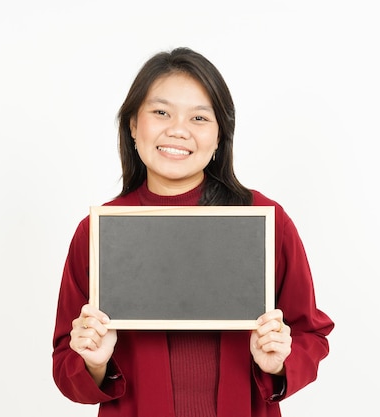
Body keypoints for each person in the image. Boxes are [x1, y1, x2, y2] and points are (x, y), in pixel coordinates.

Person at [52, 47, 334, 417]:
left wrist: (279, 360)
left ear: (220, 137)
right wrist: (93, 363)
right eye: (161, 112)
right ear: (133, 125)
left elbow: (309, 333)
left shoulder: (262, 220)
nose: (178, 130)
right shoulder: (100, 231)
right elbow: (64, 362)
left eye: (199, 117)